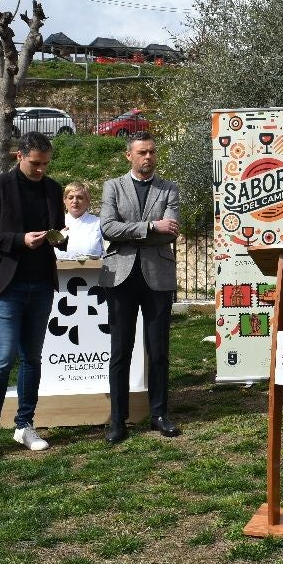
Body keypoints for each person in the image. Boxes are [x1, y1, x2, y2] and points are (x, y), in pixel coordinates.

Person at [0, 132, 66, 459]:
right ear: (19, 157)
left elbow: (61, 232)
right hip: (5, 285)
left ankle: (24, 424)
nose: (41, 169)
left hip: (41, 283)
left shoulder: (53, 189)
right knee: (2, 358)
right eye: (35, 163)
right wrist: (19, 240)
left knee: (32, 358)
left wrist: (56, 238)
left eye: (46, 164)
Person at [99, 132, 182, 442]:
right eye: (142, 152)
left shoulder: (169, 188)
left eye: (152, 152)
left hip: (157, 276)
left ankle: (159, 414)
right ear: (129, 156)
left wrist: (134, 230)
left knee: (158, 349)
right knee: (121, 350)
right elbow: (107, 227)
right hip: (120, 276)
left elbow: (171, 232)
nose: (148, 157)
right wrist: (150, 226)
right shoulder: (113, 186)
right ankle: (118, 420)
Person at [55, 181, 104, 260]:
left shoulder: (98, 223)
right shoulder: (56, 223)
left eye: (80, 197)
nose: (75, 201)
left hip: (92, 271)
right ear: (64, 200)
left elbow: (108, 254)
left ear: (88, 201)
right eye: (70, 197)